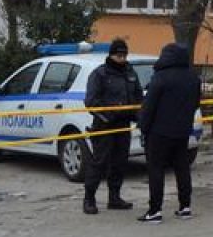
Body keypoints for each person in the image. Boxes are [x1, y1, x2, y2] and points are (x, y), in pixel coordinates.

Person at [137, 42, 202, 224]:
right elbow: (196, 103)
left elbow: (149, 106)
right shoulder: (193, 78)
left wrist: (143, 126)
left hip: (159, 132)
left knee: (156, 169)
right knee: (182, 168)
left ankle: (155, 210)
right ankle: (185, 207)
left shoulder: (160, 77)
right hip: (182, 130)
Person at [82, 38, 142, 214]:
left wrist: (139, 115)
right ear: (111, 55)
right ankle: (89, 199)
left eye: (124, 55)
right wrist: (109, 116)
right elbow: (91, 102)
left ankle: (114, 198)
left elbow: (138, 97)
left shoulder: (130, 73)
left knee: (120, 163)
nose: (122, 58)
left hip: (123, 125)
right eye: (119, 55)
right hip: (104, 125)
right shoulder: (100, 74)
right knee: (99, 163)